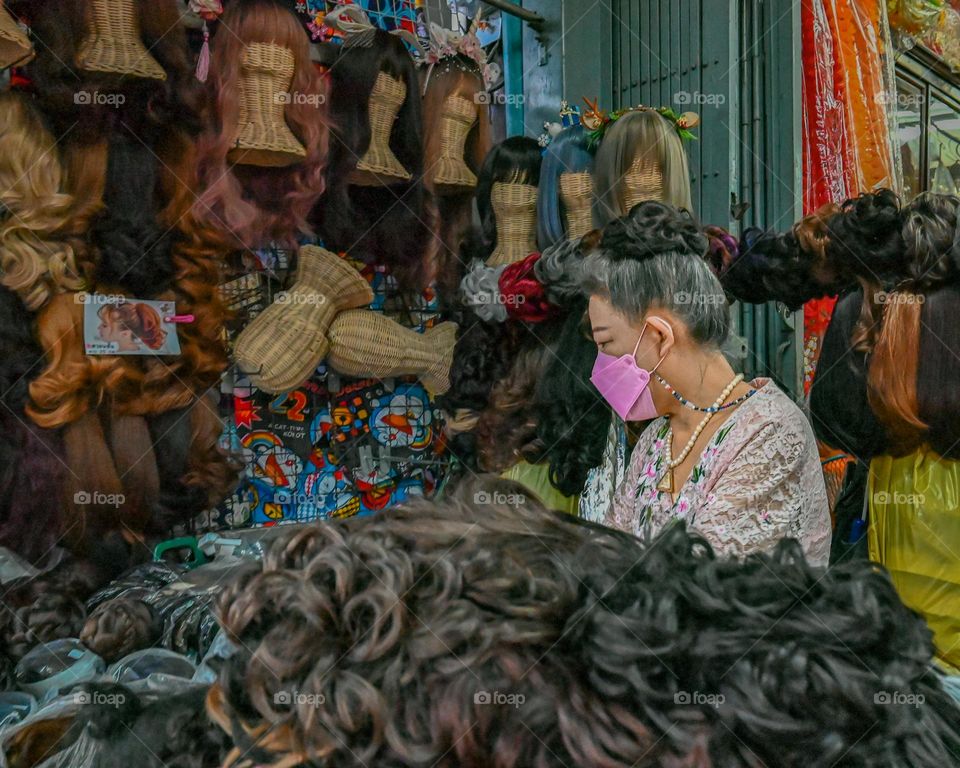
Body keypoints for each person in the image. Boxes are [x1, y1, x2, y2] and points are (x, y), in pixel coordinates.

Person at [582, 202, 830, 565]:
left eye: (606, 344)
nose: (600, 365)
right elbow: (606, 555)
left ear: (658, 336)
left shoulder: (771, 433)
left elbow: (701, 587)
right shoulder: (658, 438)